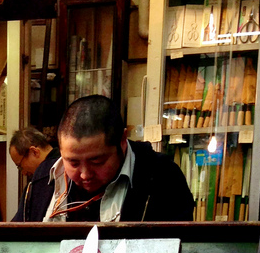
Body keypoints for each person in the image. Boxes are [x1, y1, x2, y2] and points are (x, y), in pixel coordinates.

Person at [35, 95, 194, 222]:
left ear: (122, 141)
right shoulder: (45, 177)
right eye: (73, 162)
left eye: (97, 162)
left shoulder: (162, 176)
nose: (85, 174)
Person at [10, 128, 60, 222]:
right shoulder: (70, 165)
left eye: (20, 166)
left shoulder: (40, 179)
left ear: (34, 152)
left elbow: (19, 226)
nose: (23, 173)